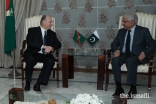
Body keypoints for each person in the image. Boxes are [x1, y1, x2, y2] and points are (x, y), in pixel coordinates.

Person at [111, 13, 156, 97]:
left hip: (137, 55)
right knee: (115, 60)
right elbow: (114, 43)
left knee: (130, 60)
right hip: (124, 54)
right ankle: (119, 87)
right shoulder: (121, 31)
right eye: (123, 21)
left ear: (132, 22)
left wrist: (144, 52)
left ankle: (133, 88)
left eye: (125, 21)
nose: (122, 23)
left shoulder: (143, 31)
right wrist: (116, 50)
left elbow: (153, 44)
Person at [24, 15, 61, 91]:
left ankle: (38, 84)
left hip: (44, 55)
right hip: (33, 53)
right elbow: (30, 42)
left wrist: (51, 47)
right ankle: (27, 82)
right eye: (50, 22)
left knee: (50, 61)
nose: (51, 24)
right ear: (43, 22)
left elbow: (58, 44)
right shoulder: (32, 30)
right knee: (30, 60)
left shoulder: (52, 34)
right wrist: (43, 46)